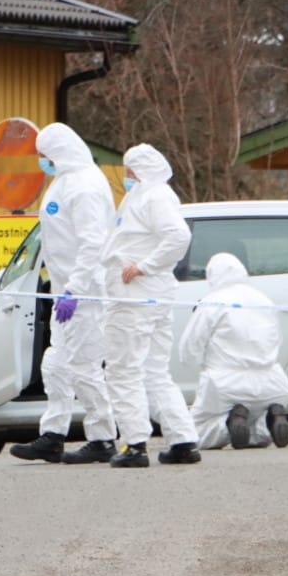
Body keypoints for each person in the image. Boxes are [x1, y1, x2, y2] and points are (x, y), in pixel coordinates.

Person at [9, 123, 119, 465]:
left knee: (84, 366)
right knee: (56, 363)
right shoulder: (63, 182)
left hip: (84, 292)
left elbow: (93, 243)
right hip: (63, 292)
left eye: (44, 155)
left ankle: (103, 438)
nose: (41, 161)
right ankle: (53, 435)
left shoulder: (85, 185)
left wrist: (76, 288)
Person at [100, 143, 200, 468]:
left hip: (135, 297)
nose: (127, 176)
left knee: (123, 370)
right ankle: (182, 441)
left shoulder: (153, 196)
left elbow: (178, 236)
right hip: (150, 296)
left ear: (141, 170)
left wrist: (144, 266)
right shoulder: (145, 196)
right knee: (154, 371)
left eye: (130, 170)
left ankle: (134, 444)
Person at [179, 252, 288, 449]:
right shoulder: (264, 300)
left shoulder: (212, 301)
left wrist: (198, 366)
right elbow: (277, 341)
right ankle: (271, 419)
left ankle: (228, 423)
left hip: (225, 383)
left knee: (192, 434)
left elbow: (190, 345)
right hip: (273, 383)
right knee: (257, 436)